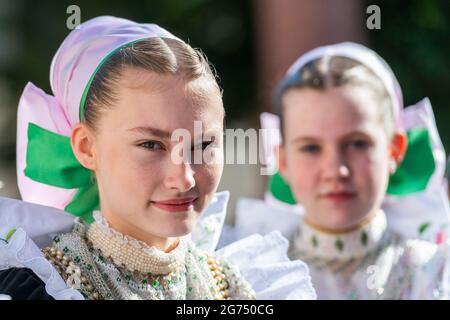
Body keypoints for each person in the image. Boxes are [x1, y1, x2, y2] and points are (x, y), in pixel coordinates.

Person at [0, 16, 315, 300]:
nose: (184, 178)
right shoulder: (45, 287)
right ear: (86, 148)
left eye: (203, 144)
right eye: (151, 145)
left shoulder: (241, 286)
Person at [228, 42, 450, 299]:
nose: (335, 170)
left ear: (394, 151)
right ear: (283, 160)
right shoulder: (249, 278)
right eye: (311, 148)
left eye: (357, 144)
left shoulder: (434, 274)